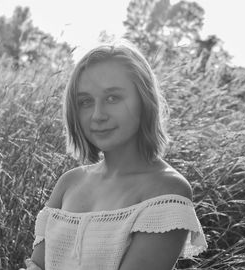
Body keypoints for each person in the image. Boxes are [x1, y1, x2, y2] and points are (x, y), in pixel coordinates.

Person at [22, 39, 207, 270]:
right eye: (85, 102)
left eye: (113, 98)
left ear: (144, 100)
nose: (98, 115)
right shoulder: (70, 182)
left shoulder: (167, 191)